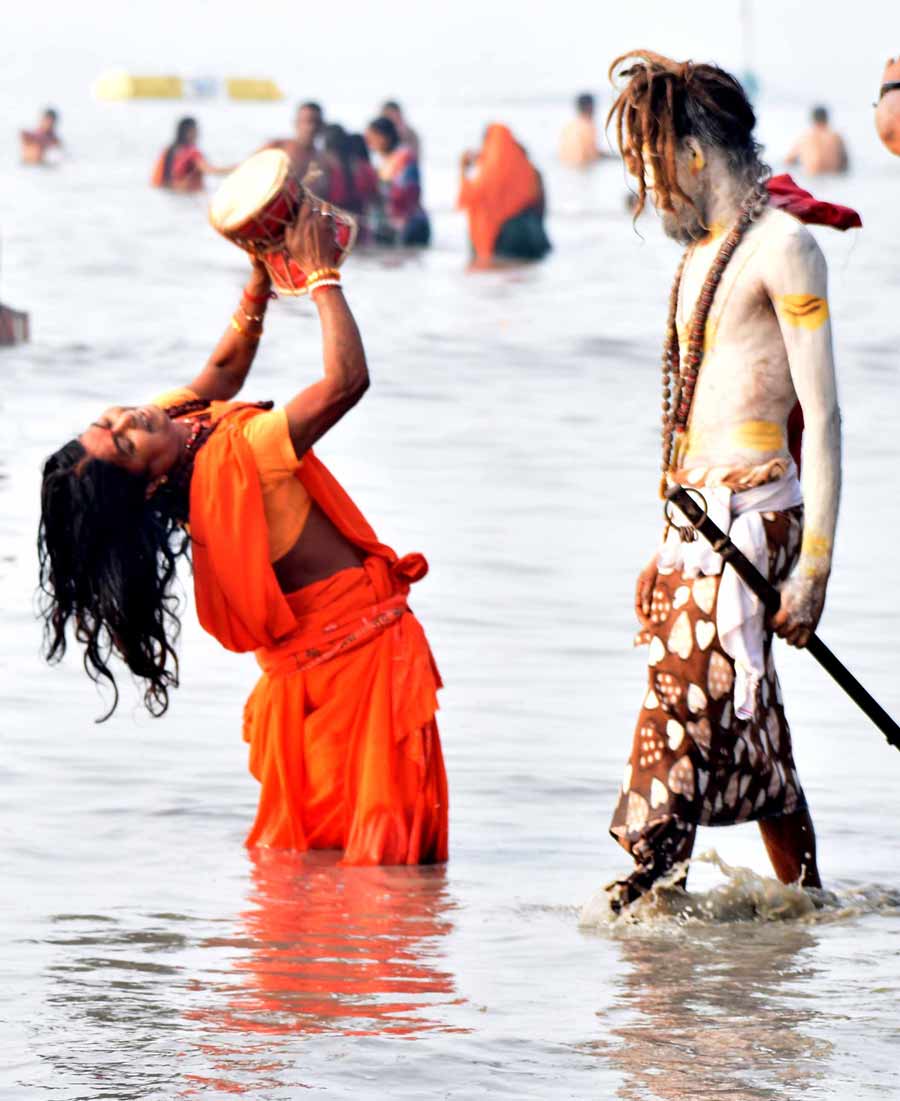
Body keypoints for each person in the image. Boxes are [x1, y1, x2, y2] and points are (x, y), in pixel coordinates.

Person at [37, 205, 448, 866]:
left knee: (328, 875)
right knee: (382, 881)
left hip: (321, 676)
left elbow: (223, 374)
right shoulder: (245, 456)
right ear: (147, 484)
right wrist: (322, 278)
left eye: (109, 419)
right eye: (123, 440)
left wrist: (258, 281)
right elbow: (348, 382)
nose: (128, 416)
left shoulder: (174, 424)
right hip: (357, 670)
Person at [604, 51, 843, 910]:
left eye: (652, 169)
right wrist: (663, 549)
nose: (647, 193)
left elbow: (824, 420)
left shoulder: (786, 247)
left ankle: (636, 911)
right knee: (755, 739)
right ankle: (810, 907)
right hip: (696, 533)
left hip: (754, 521)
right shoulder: (703, 254)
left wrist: (812, 569)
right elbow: (686, 421)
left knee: (672, 725)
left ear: (695, 156)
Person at [458, 124, 551, 263]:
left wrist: (463, 170)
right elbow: (541, 208)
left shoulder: (486, 173)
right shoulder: (530, 170)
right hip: (529, 233)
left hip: (496, 239)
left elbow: (466, 199)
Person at [365, 116, 430, 246]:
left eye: (373, 138)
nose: (370, 144)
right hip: (394, 225)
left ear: (385, 137)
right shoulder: (384, 161)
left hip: (410, 225)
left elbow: (407, 193)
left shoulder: (404, 158)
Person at [150, 117, 228, 192]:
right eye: (195, 131)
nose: (197, 134)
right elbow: (211, 171)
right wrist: (237, 169)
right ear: (189, 132)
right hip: (190, 196)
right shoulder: (192, 154)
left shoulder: (169, 151)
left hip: (170, 194)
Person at [266, 101, 329, 193]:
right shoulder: (277, 147)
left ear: (322, 125)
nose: (311, 127)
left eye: (316, 122)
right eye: (307, 121)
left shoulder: (323, 161)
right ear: (296, 123)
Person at [785, 106, 849, 175]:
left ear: (813, 119)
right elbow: (845, 162)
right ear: (827, 119)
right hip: (833, 175)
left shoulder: (805, 137)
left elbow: (788, 160)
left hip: (813, 175)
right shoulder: (836, 137)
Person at [559, 93, 609, 167]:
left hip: (566, 166)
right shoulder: (588, 126)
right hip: (583, 167)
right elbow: (592, 154)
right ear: (590, 107)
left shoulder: (568, 126)